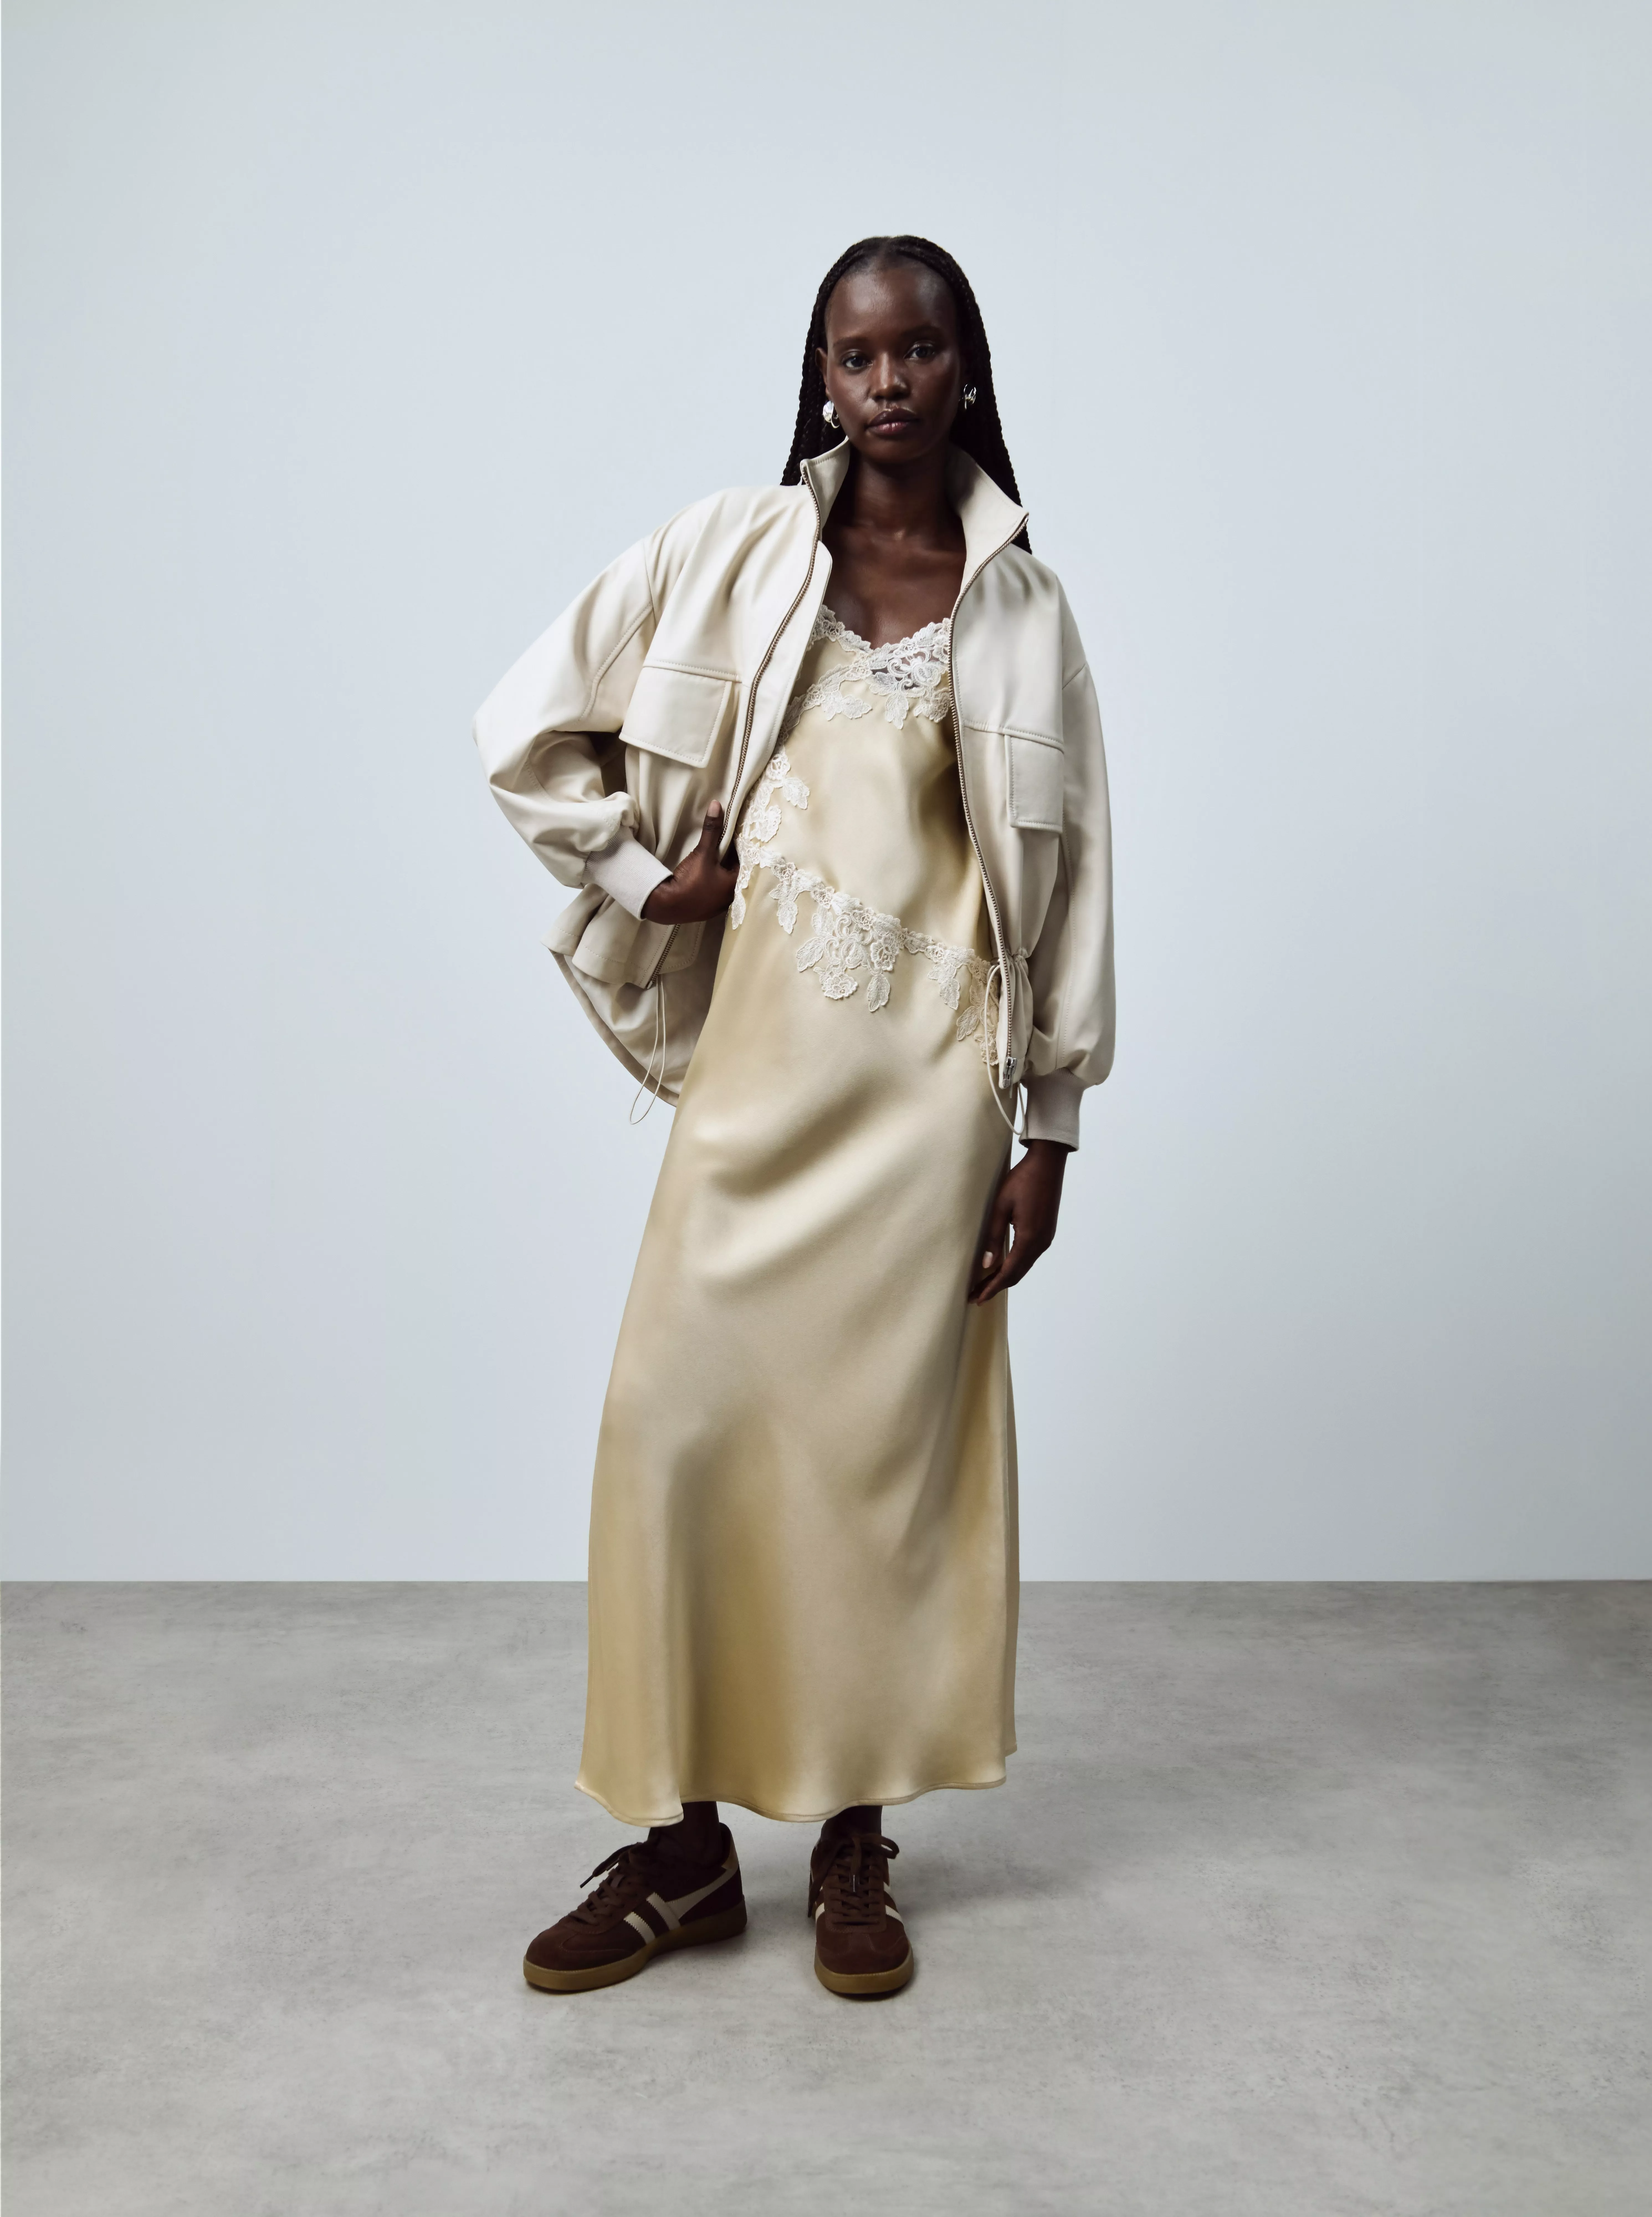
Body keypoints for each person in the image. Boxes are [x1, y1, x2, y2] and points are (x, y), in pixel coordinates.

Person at [475, 235, 1114, 2000]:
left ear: (964, 367)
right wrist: (632, 870)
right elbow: (526, 725)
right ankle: (686, 1853)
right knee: (667, 1425)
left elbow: (1069, 899)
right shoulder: (736, 553)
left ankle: (848, 1845)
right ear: (820, 377)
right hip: (755, 1089)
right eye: (854, 355)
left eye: (917, 352)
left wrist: (1045, 1132)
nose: (887, 382)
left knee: (876, 1483)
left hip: (927, 1107)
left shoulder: (1024, 611)